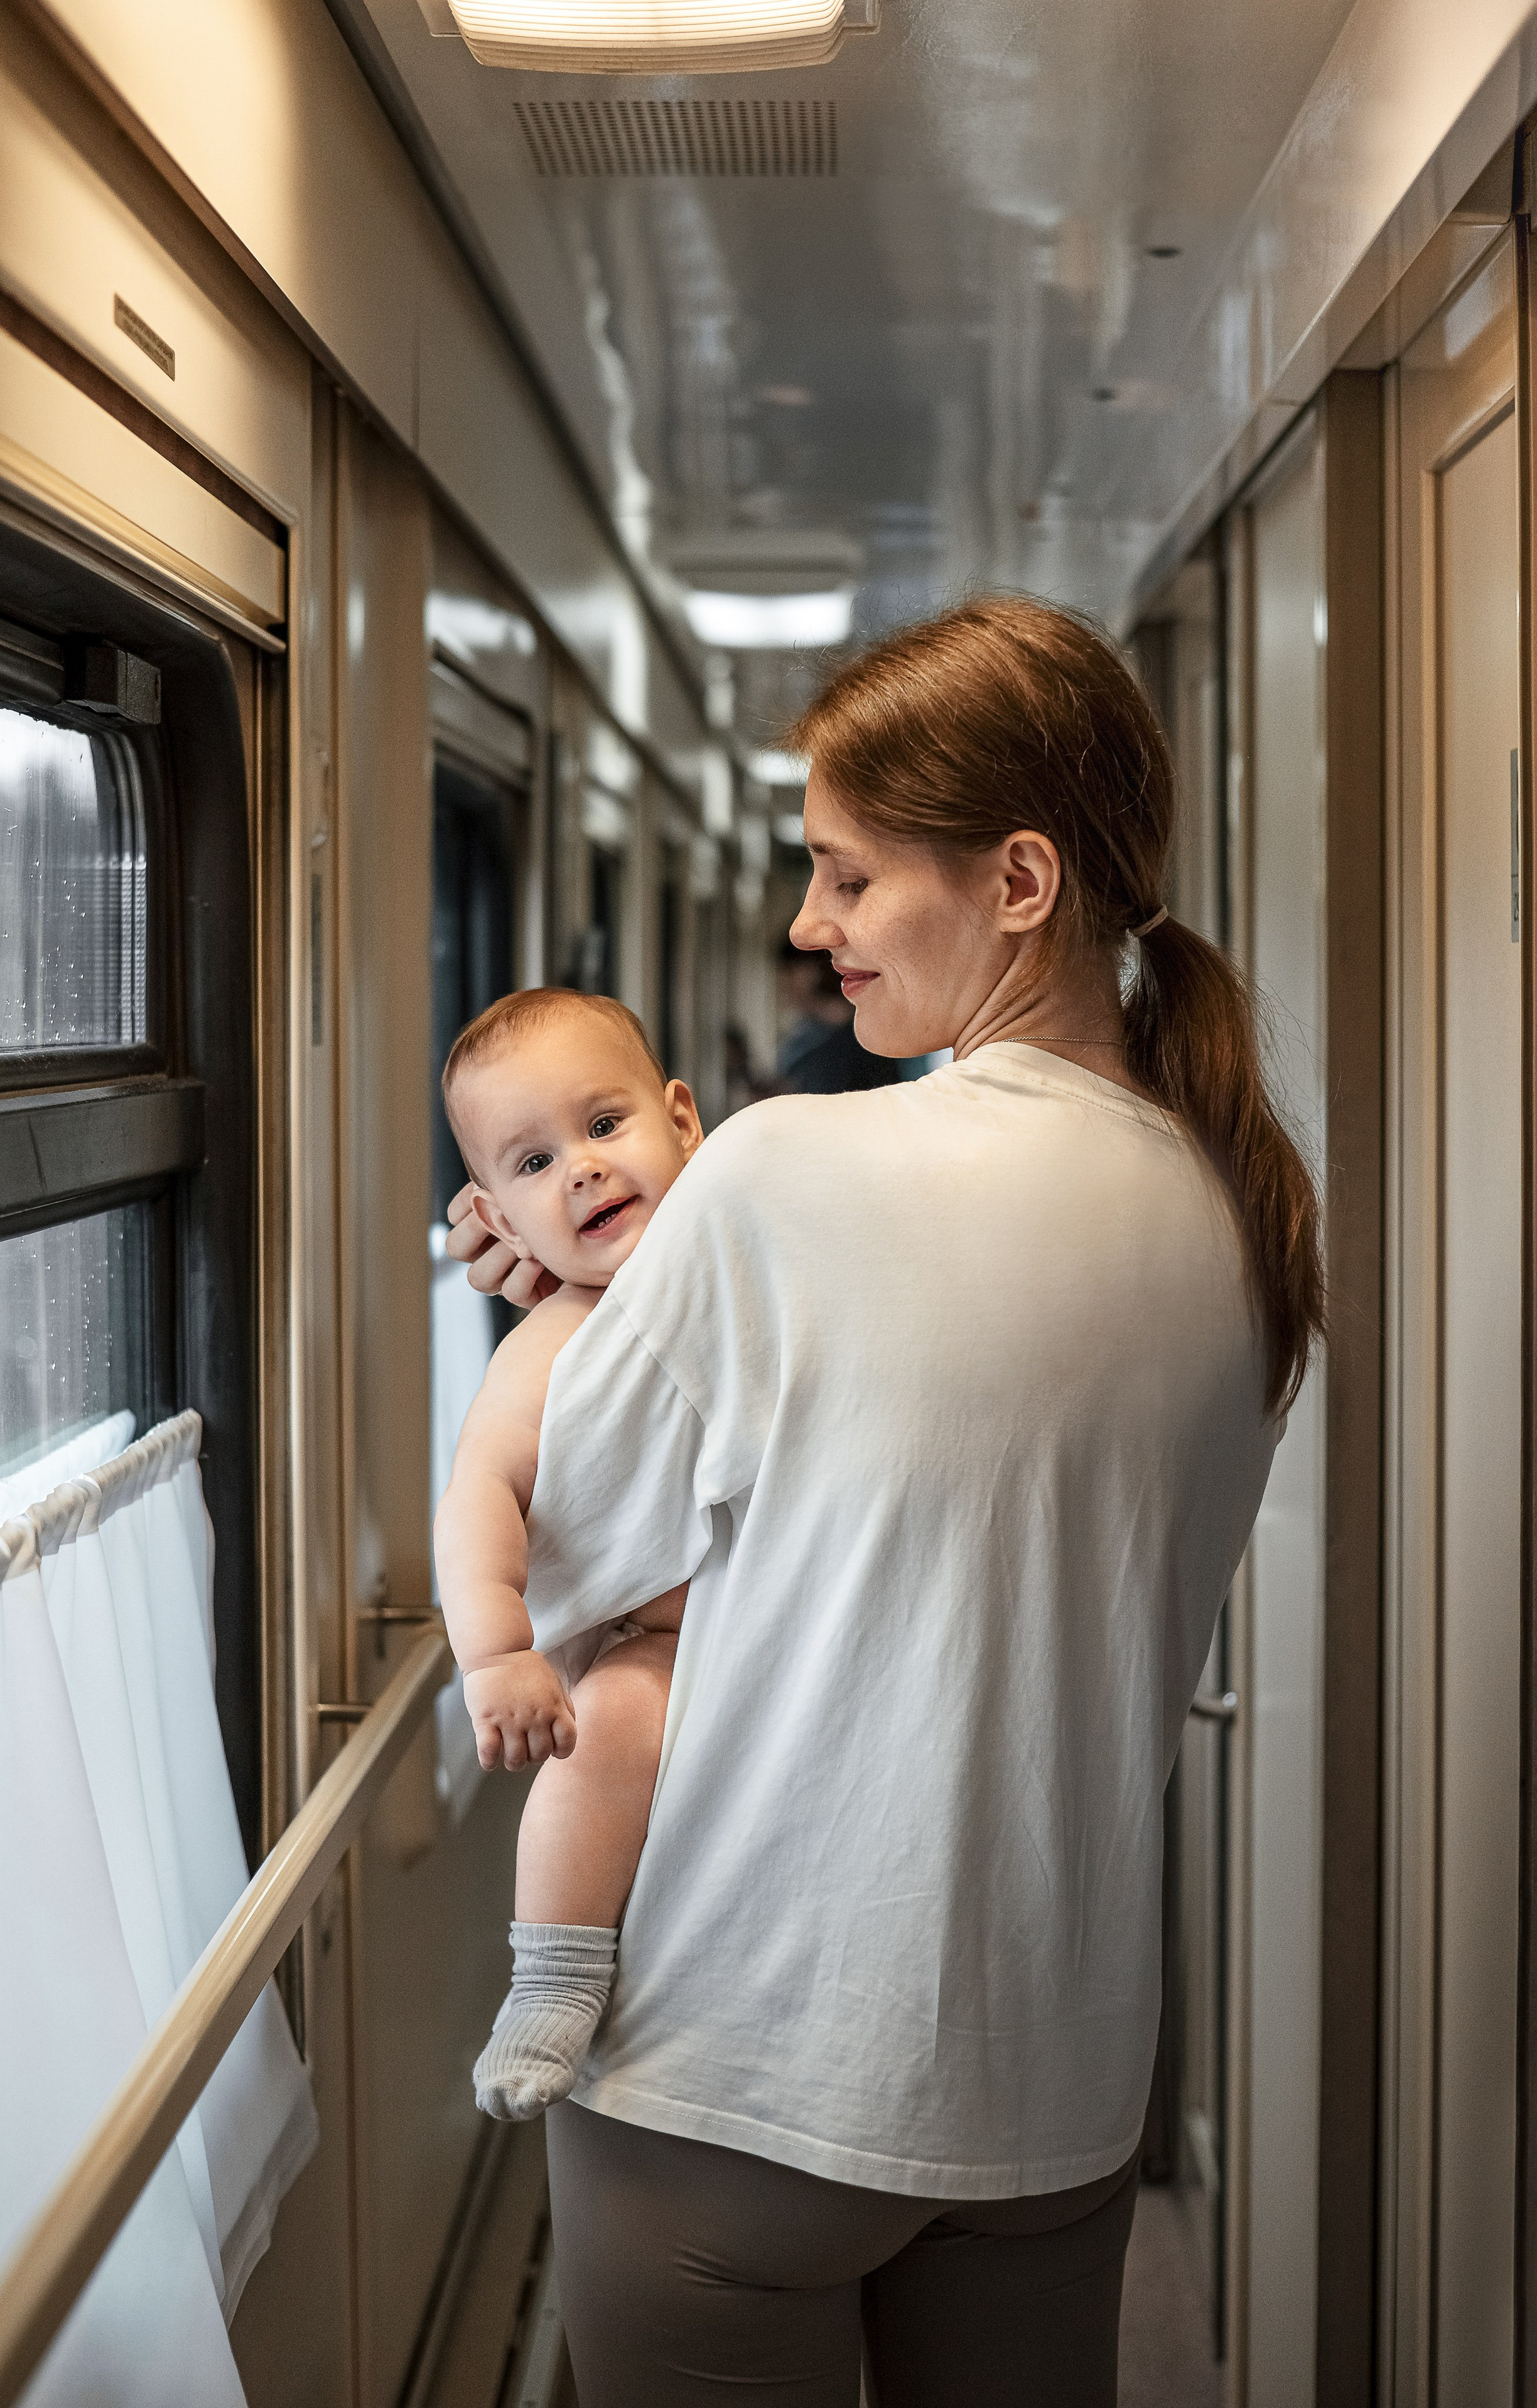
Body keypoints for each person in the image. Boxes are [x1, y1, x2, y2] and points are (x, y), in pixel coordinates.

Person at [445, 596, 1323, 2407]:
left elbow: (574, 1564)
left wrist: (537, 1314)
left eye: (845, 877)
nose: (805, 924)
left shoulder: (779, 1174)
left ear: (1017, 879)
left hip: (743, 2061)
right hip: (1058, 2080)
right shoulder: (1241, 1211)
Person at [431, 990, 701, 2117]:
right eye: (535, 1163)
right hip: (660, 1638)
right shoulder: (554, 1341)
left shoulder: (744, 1245)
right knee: (602, 1743)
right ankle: (549, 1979)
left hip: (806, 1609)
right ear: (493, 1218)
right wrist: (497, 1657)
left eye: (605, 1126)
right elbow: (479, 1493)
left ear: (685, 1122)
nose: (582, 1172)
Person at [774, 934, 903, 1093]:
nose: (782, 984)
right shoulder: (803, 1034)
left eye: (790, 972)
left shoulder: (866, 1032)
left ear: (813, 971)